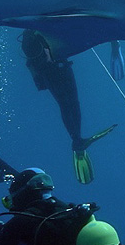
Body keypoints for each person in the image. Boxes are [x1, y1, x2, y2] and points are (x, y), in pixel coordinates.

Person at [19, 30, 116, 185]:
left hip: (50, 74)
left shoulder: (28, 42)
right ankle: (77, 139)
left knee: (65, 104)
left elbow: (34, 63)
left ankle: (76, 139)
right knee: (71, 103)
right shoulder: (37, 36)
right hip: (59, 69)